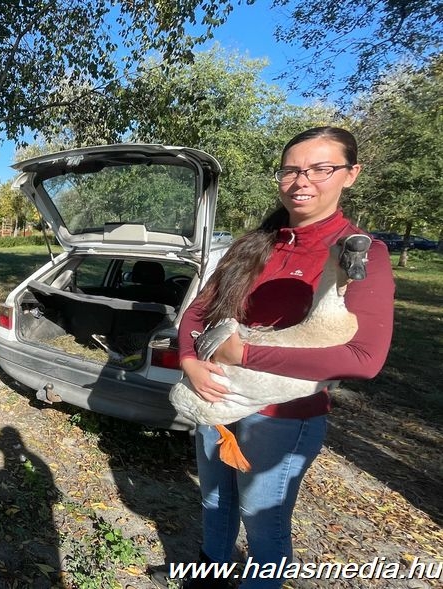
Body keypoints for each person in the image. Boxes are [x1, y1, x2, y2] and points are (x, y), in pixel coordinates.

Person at [167, 127, 394, 589]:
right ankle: (207, 578)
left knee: (261, 517)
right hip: (217, 396)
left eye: (320, 169)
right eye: (291, 170)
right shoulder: (255, 244)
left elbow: (364, 358)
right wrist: (190, 360)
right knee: (214, 499)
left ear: (351, 175)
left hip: (282, 417)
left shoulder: (361, 254)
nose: (302, 180)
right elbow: (197, 312)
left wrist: (246, 352)